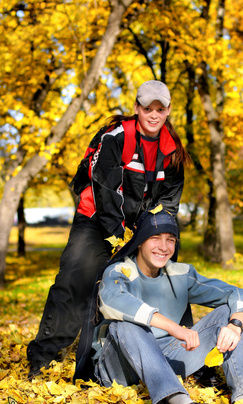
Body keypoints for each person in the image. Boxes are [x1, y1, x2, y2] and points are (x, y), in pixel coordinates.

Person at [27, 81, 190, 378]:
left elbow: (168, 202)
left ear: (167, 111)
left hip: (135, 226)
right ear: (137, 108)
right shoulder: (116, 137)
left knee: (162, 278)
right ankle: (44, 355)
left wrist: (152, 235)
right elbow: (105, 190)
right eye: (147, 108)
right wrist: (117, 238)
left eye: (160, 109)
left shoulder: (173, 151)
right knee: (76, 280)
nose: (153, 115)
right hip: (96, 218)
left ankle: (172, 348)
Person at [74, 206, 243, 404]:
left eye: (170, 239)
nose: (163, 247)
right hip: (120, 366)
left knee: (229, 314)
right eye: (155, 238)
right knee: (125, 324)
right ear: (140, 241)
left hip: (167, 357)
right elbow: (114, 301)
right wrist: (175, 328)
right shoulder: (120, 271)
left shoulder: (181, 273)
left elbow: (237, 294)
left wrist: (235, 325)